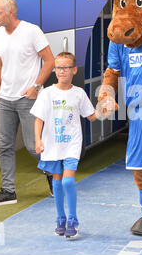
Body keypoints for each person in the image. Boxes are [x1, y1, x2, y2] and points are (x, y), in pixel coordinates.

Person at [0, 0, 55, 206]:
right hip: (5, 99)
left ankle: (54, 174)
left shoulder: (31, 31)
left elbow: (50, 61)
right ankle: (8, 191)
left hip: (28, 98)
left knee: (34, 146)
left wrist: (35, 87)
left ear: (10, 12)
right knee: (4, 146)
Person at [31, 52, 97, 239]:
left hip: (72, 145)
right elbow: (38, 120)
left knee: (68, 181)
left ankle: (73, 219)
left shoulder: (79, 93)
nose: (62, 71)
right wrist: (38, 140)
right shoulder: (46, 94)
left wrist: (104, 108)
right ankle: (60, 218)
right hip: (52, 145)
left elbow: (91, 116)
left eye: (66, 68)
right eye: (59, 67)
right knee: (57, 183)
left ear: (74, 70)